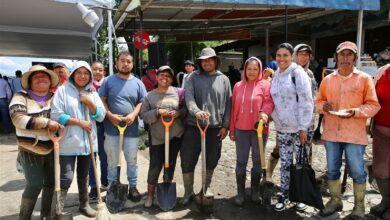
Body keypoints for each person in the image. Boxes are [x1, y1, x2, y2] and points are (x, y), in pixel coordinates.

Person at [316, 41, 380, 219]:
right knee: (332, 170)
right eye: (342, 55)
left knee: (358, 170)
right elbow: (318, 102)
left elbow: (374, 106)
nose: (345, 58)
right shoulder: (328, 79)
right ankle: (335, 200)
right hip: (331, 133)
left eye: (349, 54)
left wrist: (356, 112)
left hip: (354, 133)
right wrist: (324, 106)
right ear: (336, 57)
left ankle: (359, 206)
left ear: (355, 58)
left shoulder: (364, 79)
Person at [51, 61, 106, 217]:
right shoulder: (62, 91)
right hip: (68, 141)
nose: (82, 76)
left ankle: (84, 204)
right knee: (66, 177)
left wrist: (89, 102)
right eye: (79, 73)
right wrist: (79, 122)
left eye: (86, 73)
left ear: (89, 75)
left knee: (84, 175)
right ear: (73, 74)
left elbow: (101, 117)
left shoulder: (92, 93)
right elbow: (56, 115)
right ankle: (58, 209)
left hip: (88, 142)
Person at [180, 47, 232, 208]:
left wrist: (225, 126)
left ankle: (206, 187)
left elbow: (229, 104)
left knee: (212, 159)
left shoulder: (224, 79)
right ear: (200, 62)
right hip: (193, 126)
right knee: (187, 159)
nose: (207, 62)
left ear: (216, 61)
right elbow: (188, 98)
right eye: (204, 60)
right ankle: (188, 191)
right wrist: (196, 111)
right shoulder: (192, 78)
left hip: (215, 127)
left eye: (210, 59)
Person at [9, 65, 62, 219]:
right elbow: (18, 119)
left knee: (51, 184)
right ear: (30, 81)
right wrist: (46, 123)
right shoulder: (20, 96)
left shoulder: (55, 97)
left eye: (44, 76)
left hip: (53, 148)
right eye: (36, 76)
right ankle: (24, 216)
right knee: (34, 185)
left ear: (50, 80)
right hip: (29, 150)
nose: (41, 78)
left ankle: (45, 215)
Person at [270, 43, 314, 211]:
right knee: (286, 163)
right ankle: (284, 194)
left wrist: (304, 127)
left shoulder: (298, 73)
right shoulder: (276, 75)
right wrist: (274, 119)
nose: (282, 59)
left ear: (291, 56)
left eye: (285, 55)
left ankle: (301, 196)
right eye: (279, 55)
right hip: (282, 129)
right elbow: (274, 100)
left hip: (299, 129)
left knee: (300, 163)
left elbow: (306, 101)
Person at [99, 51, 147, 202]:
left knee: (132, 160)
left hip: (131, 130)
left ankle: (132, 187)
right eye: (122, 61)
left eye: (128, 61)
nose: (125, 64)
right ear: (116, 63)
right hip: (112, 129)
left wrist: (133, 115)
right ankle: (113, 186)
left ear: (132, 64)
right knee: (112, 161)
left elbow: (142, 102)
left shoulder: (138, 83)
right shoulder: (108, 81)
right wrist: (110, 115)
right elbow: (102, 100)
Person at [229, 57, 274, 206]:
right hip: (241, 129)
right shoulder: (237, 86)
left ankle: (254, 192)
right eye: (249, 69)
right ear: (245, 70)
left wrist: (265, 113)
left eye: (255, 69)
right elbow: (234, 108)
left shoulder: (266, 85)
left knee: (257, 162)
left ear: (260, 70)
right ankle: (241, 193)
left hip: (259, 130)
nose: (252, 72)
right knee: (241, 161)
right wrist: (232, 129)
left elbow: (269, 102)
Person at [140, 65, 186, 208]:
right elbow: (144, 116)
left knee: (170, 164)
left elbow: (185, 109)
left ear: (172, 79)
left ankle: (167, 186)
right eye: (162, 75)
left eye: (168, 76)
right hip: (157, 137)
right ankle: (149, 196)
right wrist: (157, 112)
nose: (164, 78)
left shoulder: (179, 92)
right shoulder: (149, 95)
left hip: (175, 135)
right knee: (155, 165)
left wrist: (178, 113)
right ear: (157, 77)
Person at [370, 64, 390, 220]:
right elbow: (372, 98)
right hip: (381, 130)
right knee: (380, 169)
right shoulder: (382, 71)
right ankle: (386, 200)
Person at [88, 61, 109, 200]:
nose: (97, 72)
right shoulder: (85, 86)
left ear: (104, 72)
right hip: (91, 125)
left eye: (100, 70)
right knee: (92, 158)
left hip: (106, 125)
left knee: (105, 155)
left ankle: (105, 180)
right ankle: (94, 186)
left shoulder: (108, 84)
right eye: (94, 69)